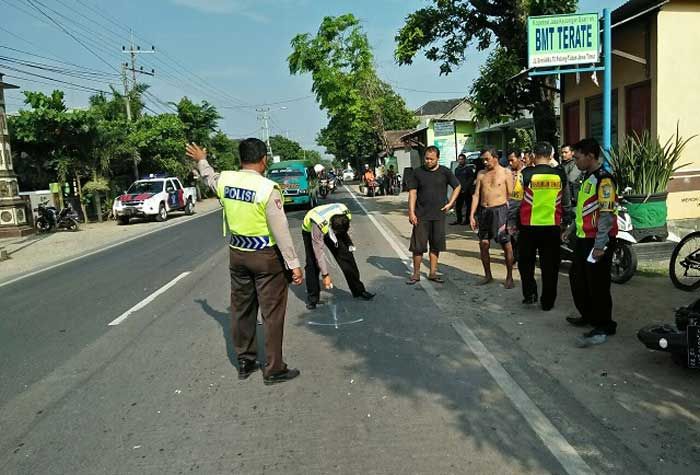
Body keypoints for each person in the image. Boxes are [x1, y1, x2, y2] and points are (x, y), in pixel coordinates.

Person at [186, 139, 303, 385]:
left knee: (241, 310)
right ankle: (273, 369)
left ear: (241, 159)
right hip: (266, 258)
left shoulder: (226, 181)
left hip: (238, 253)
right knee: (271, 314)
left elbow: (209, 178)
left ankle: (245, 361)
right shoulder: (267, 188)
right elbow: (280, 230)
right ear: (264, 160)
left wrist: (201, 160)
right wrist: (293, 264)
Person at [564, 138, 618, 347]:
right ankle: (589, 316)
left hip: (597, 241)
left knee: (598, 284)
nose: (575, 161)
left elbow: (606, 215)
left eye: (578, 157)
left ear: (590, 156)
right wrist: (570, 229)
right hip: (583, 238)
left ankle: (604, 325)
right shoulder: (588, 178)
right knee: (578, 278)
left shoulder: (604, 180)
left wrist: (600, 245)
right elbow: (583, 209)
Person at [518, 142, 571, 311]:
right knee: (550, 267)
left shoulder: (524, 174)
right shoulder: (560, 174)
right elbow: (566, 202)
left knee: (526, 264)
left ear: (533, 155)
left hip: (528, 227)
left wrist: (511, 223)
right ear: (552, 155)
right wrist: (566, 221)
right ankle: (548, 302)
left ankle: (530, 295)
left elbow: (514, 202)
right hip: (552, 227)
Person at [302, 202, 375, 309]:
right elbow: (319, 253)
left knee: (346, 257)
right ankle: (313, 298)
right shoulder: (318, 224)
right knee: (312, 263)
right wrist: (325, 275)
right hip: (311, 230)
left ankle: (359, 290)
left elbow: (344, 232)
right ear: (332, 226)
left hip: (332, 224)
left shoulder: (345, 213)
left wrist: (349, 244)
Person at [406, 146, 461, 285]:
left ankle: (433, 273)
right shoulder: (417, 172)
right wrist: (411, 212)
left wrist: (451, 203)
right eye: (426, 158)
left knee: (435, 246)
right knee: (418, 247)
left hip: (438, 216)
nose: (428, 161)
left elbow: (457, 186)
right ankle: (416, 274)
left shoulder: (445, 172)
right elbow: (412, 192)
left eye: (431, 159)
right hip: (421, 216)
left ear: (437, 158)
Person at [470, 148, 515, 288]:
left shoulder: (506, 173)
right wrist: (472, 215)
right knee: (483, 244)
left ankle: (509, 277)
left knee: (505, 244)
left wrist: (508, 216)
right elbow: (476, 195)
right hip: (484, 212)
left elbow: (511, 195)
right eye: (483, 159)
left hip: (500, 211)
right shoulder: (481, 174)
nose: (484, 162)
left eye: (487, 159)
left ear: (495, 158)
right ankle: (488, 275)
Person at [506, 150, 525, 262]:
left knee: (522, 235)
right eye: (509, 160)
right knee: (511, 234)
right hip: (510, 208)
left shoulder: (527, 172)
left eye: (512, 160)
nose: (510, 163)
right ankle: (513, 257)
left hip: (524, 209)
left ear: (519, 159)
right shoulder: (506, 172)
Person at [451, 153, 476, 226]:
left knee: (468, 206)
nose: (460, 161)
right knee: (458, 206)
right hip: (459, 190)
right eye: (459, 159)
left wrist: (466, 187)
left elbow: (471, 179)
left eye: (462, 159)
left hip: (467, 191)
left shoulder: (468, 169)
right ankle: (459, 220)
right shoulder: (457, 169)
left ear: (464, 160)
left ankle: (467, 220)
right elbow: (455, 179)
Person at [560, 143, 581, 216]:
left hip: (573, 200)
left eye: (566, 152)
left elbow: (571, 179)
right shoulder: (562, 165)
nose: (563, 154)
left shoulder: (576, 164)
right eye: (562, 152)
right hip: (564, 200)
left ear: (572, 153)